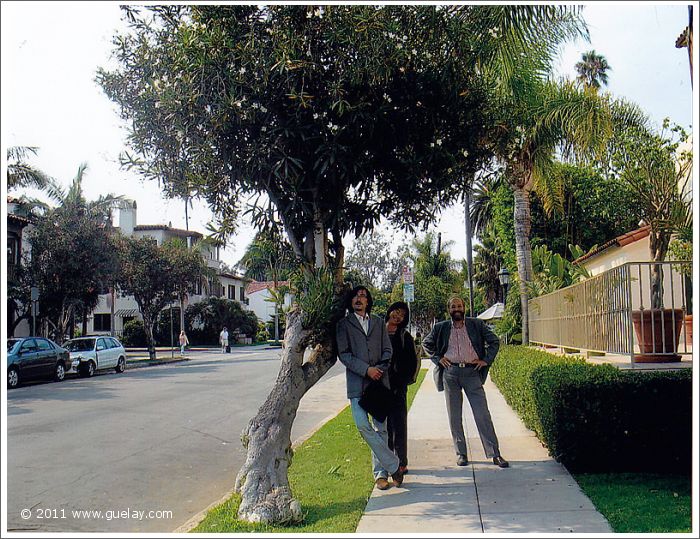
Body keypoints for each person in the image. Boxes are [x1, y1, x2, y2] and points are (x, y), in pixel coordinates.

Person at [422, 296, 509, 468]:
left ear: (464, 308)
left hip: (472, 373)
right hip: (450, 374)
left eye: (459, 306)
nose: (457, 309)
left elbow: (494, 341)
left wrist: (486, 360)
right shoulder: (441, 327)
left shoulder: (476, 324)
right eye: (453, 306)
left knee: (482, 413)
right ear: (449, 310)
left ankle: (495, 454)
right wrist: (438, 358)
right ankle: (461, 453)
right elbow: (426, 343)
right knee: (454, 416)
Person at [336, 286, 405, 490]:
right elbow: (344, 354)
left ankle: (380, 475)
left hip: (378, 383)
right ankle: (394, 465)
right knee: (362, 425)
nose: (359, 299)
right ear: (351, 301)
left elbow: (387, 350)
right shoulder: (344, 325)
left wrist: (379, 370)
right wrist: (367, 370)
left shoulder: (377, 322)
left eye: (363, 296)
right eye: (356, 296)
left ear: (368, 301)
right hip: (357, 384)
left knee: (381, 429)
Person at [385, 301, 420, 475]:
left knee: (399, 425)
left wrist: (402, 382)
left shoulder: (405, 336)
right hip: (378, 385)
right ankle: (387, 462)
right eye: (396, 311)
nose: (397, 316)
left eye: (402, 315)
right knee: (383, 427)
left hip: (397, 387)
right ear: (390, 311)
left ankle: (401, 463)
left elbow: (412, 362)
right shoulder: (377, 332)